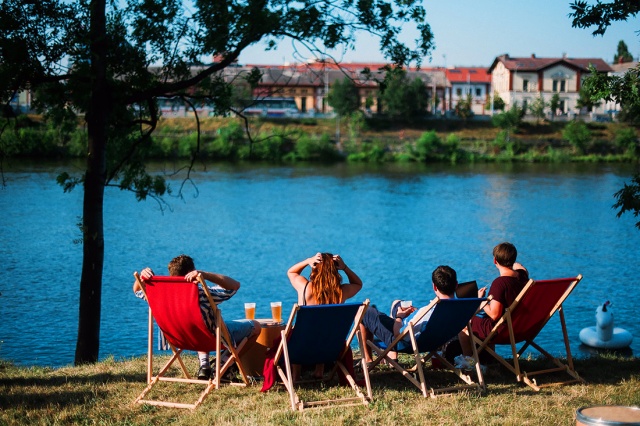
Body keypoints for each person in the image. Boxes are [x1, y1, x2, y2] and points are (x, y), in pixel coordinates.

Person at [133, 254, 260, 380]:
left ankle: (204, 367)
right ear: (192, 272)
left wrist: (142, 278)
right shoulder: (201, 293)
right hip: (209, 338)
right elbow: (235, 285)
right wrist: (204, 275)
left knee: (200, 324)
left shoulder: (159, 295)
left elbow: (136, 290)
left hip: (178, 339)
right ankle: (223, 365)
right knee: (255, 327)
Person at [359, 265, 459, 365]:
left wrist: (399, 317)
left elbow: (398, 334)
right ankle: (392, 357)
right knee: (397, 303)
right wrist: (415, 312)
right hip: (435, 341)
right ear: (456, 285)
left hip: (406, 343)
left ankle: (368, 360)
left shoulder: (429, 311)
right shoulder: (462, 308)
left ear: (434, 287)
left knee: (363, 310)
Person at [287, 252, 363, 379]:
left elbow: (291, 273)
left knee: (297, 332)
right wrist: (345, 267)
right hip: (330, 346)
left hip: (302, 346)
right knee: (325, 329)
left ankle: (295, 374)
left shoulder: (305, 287)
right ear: (335, 270)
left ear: (315, 267)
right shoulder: (341, 292)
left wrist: (307, 260)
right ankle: (319, 370)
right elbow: (358, 284)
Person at [459, 242, 529, 358]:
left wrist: (481, 299)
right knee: (485, 320)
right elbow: (521, 267)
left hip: (503, 331)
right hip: (520, 327)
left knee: (465, 323)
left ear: (495, 261)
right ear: (513, 259)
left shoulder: (499, 283)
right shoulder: (522, 277)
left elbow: (494, 314)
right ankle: (489, 360)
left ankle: (468, 363)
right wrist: (513, 263)